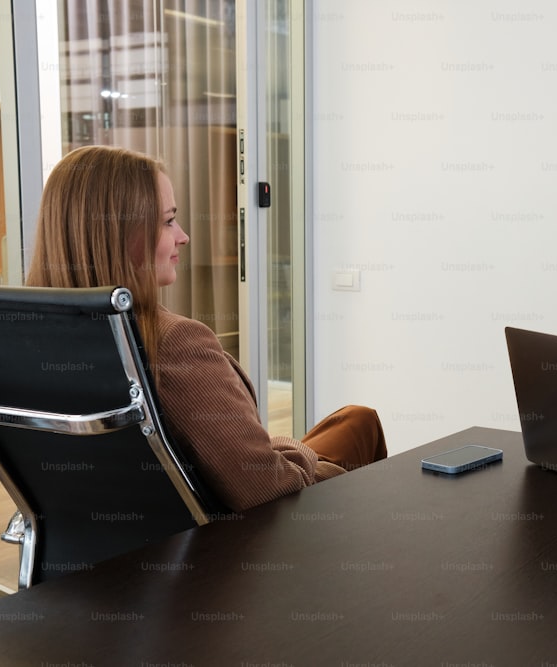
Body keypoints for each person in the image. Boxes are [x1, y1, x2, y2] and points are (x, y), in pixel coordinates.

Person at [27, 145, 387, 512]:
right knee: (364, 434)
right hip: (240, 545)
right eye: (168, 221)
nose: (183, 236)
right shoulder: (173, 344)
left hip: (109, 547)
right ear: (121, 235)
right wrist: (300, 454)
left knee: (356, 420)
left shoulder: (33, 341)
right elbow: (269, 491)